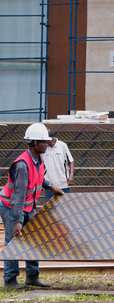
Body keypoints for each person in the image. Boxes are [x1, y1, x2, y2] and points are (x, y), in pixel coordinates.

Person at [1, 124, 64, 289]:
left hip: (28, 206)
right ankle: (10, 280)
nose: (47, 144)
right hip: (12, 207)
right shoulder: (22, 165)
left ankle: (32, 276)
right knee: (13, 242)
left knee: (33, 239)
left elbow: (38, 178)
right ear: (34, 143)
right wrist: (17, 221)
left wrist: (51, 186)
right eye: (43, 142)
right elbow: (18, 196)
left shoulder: (38, 158)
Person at [41, 132, 74, 202]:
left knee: (66, 207)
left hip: (63, 184)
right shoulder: (43, 148)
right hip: (50, 185)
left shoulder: (62, 146)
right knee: (49, 210)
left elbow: (71, 161)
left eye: (45, 140)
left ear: (51, 139)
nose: (45, 143)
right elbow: (41, 165)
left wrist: (71, 176)